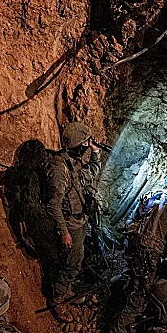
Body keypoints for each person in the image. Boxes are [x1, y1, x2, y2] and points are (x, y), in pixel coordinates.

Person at [108, 170, 167, 333]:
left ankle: (110, 299)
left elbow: (133, 219)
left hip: (133, 245)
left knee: (130, 275)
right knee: (140, 297)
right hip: (148, 253)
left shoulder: (152, 195)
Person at [44, 122, 104, 322]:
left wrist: (95, 152)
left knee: (75, 260)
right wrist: (64, 232)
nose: (87, 146)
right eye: (85, 143)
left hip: (80, 221)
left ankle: (65, 288)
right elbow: (53, 204)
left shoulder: (74, 162)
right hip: (70, 224)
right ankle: (57, 297)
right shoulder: (60, 168)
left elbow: (92, 174)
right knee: (71, 264)